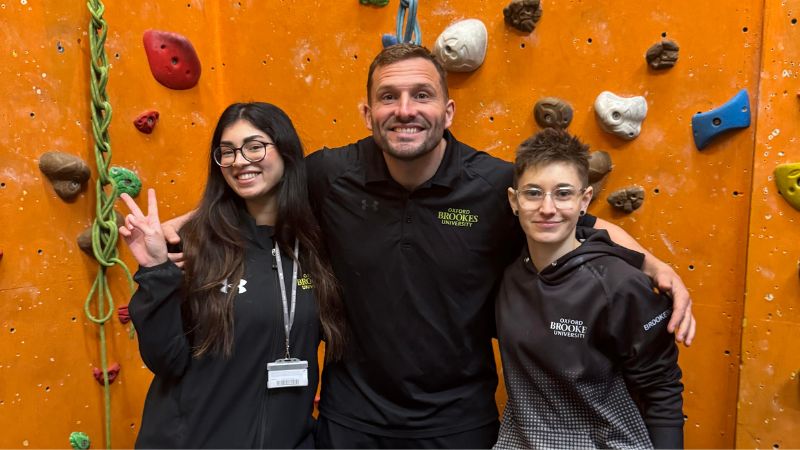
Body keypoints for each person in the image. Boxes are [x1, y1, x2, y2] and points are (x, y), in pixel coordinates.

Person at [162, 44, 695, 448]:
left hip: (458, 421)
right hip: (353, 418)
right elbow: (254, 194)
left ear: (448, 110)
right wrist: (179, 230)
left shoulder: (493, 186)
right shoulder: (331, 175)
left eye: (421, 95)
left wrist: (655, 263)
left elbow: (580, 224)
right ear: (368, 114)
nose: (405, 109)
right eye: (388, 97)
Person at [118, 102, 346, 448]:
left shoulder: (315, 247)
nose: (240, 161)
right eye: (227, 152)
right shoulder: (190, 243)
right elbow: (166, 360)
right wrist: (155, 272)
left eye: (254, 147)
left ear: (285, 152)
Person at [495, 128, 684, 449]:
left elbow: (661, 387)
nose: (548, 208)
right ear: (514, 201)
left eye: (564, 193)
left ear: (585, 200)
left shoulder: (620, 285)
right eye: (533, 193)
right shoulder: (509, 276)